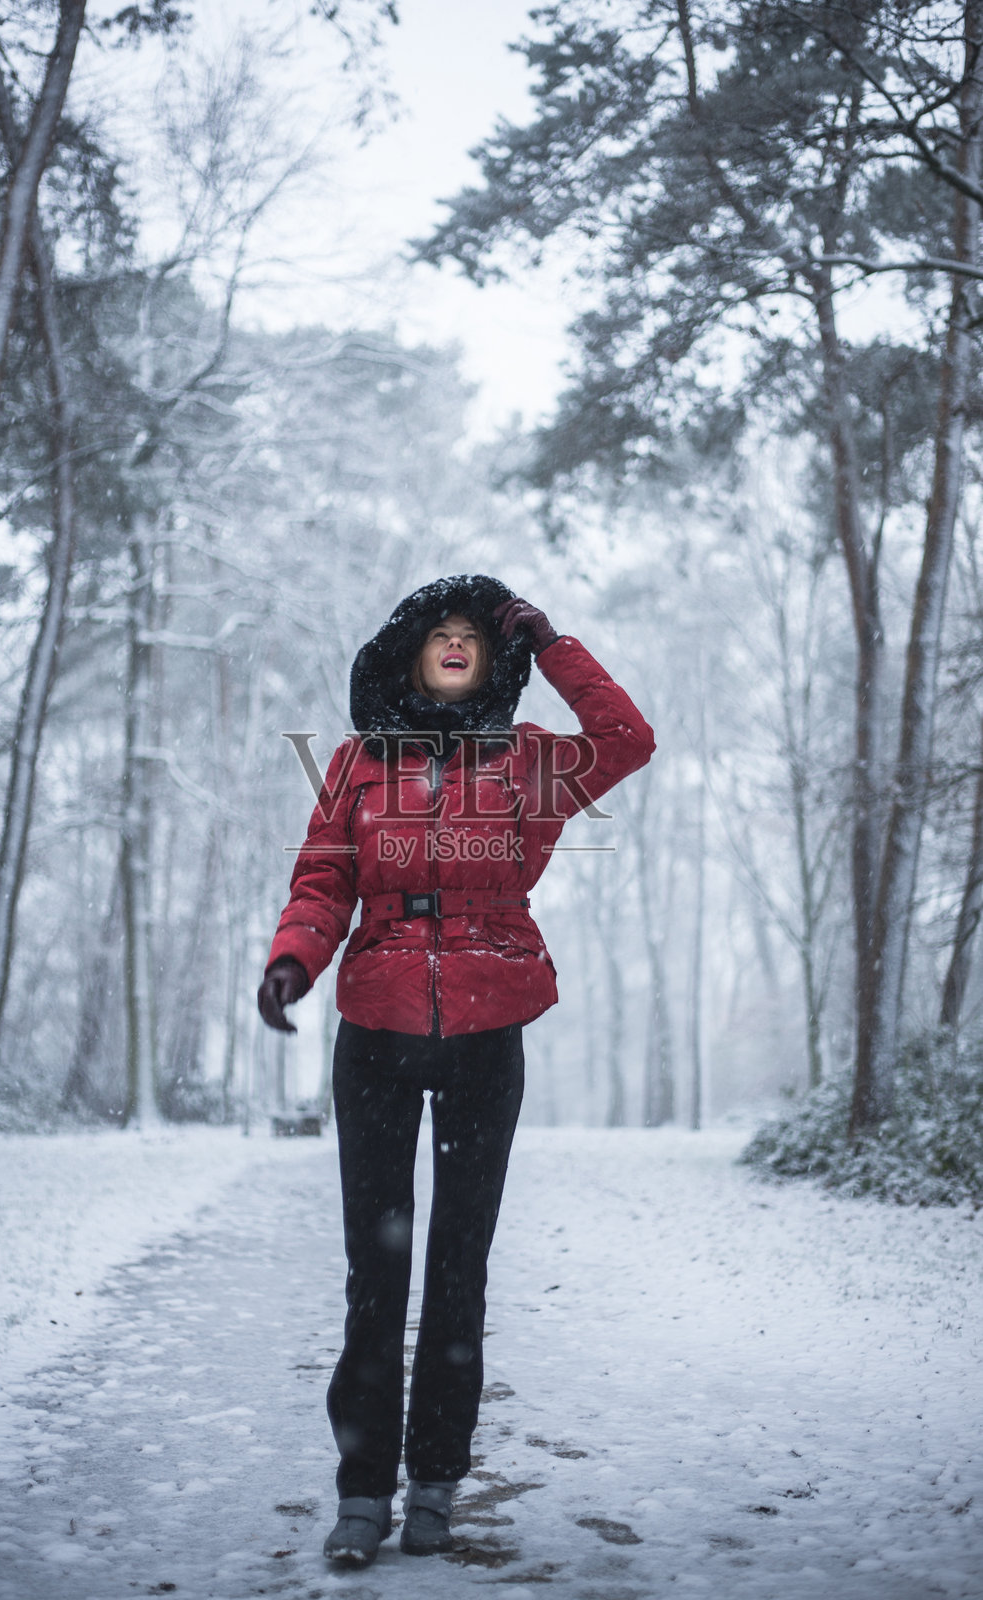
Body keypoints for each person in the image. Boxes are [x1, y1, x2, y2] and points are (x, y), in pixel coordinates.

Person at [258, 574, 654, 1567]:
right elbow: (323, 878)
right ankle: (361, 1495)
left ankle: (433, 1483)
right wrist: (292, 960)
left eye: (469, 633)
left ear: (490, 657)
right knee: (374, 1277)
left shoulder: (527, 763)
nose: (450, 641)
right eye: (435, 630)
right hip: (377, 1034)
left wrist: (555, 641)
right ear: (407, 654)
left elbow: (625, 738)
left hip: (488, 1029)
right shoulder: (354, 765)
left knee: (456, 1276)